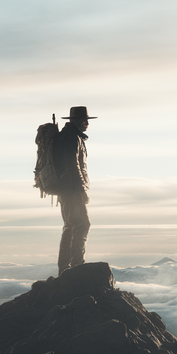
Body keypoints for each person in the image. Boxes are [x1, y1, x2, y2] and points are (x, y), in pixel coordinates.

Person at [55, 106, 96, 276]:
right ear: (80, 121)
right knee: (82, 224)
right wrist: (81, 189)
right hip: (72, 189)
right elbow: (73, 165)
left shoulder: (70, 136)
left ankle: (65, 268)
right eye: (86, 121)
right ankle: (77, 265)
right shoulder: (72, 138)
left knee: (70, 225)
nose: (87, 124)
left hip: (66, 190)